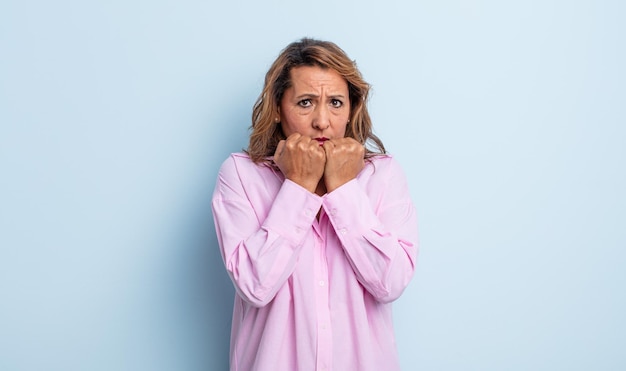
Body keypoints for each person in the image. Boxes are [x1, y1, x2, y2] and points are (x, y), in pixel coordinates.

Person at [212, 38, 418, 371]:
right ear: (278, 108)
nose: (322, 120)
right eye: (306, 102)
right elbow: (254, 286)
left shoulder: (383, 175)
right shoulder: (240, 175)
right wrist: (299, 186)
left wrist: (343, 189)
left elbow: (390, 282)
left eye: (336, 102)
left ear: (351, 110)